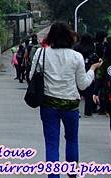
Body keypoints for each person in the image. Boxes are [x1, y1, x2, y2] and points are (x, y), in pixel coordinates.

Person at [30, 22, 102, 178]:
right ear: (70, 37)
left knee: (51, 144)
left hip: (48, 105)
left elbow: (31, 77)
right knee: (72, 140)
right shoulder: (76, 57)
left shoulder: (41, 53)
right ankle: (72, 173)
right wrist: (92, 69)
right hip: (70, 105)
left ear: (50, 37)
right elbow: (82, 85)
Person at [74, 33, 98, 116]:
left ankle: (76, 110)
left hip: (77, 71)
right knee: (89, 93)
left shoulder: (76, 48)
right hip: (89, 70)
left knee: (77, 93)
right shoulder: (92, 48)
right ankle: (88, 112)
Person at [94, 31, 109, 115]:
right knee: (103, 89)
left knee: (97, 88)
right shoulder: (103, 47)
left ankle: (97, 106)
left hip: (96, 68)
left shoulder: (95, 46)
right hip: (102, 69)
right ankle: (103, 108)